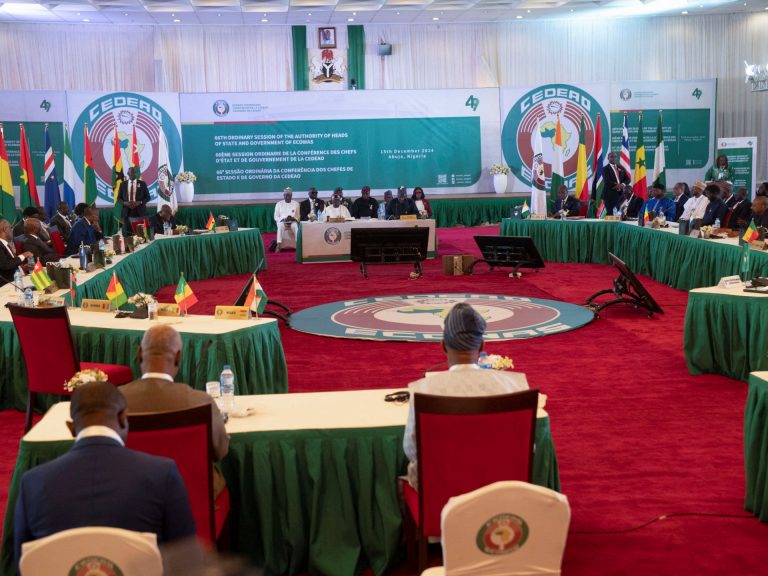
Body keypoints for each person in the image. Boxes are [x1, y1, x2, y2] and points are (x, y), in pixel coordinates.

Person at [13, 381, 196, 566]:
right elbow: (187, 561)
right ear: (123, 418)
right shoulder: (162, 474)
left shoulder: (32, 483)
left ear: (71, 428)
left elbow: (24, 564)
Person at [403, 303, 528, 489]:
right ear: (482, 346)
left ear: (443, 346)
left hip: (442, 491)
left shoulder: (423, 390)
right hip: (501, 491)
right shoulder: (514, 386)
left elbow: (412, 450)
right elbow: (527, 447)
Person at [119, 325, 229, 498]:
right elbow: (220, 450)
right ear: (178, 357)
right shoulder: (201, 402)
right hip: (193, 500)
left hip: (130, 498)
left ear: (139, 354)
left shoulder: (113, 401)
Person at [0, 219, 33, 285]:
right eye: (11, 228)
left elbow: (11, 262)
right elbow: (5, 265)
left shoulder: (5, 244)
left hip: (19, 278)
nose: (12, 230)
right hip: (11, 283)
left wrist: (22, 267)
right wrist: (23, 255)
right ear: (5, 229)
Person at [118, 167, 150, 234]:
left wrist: (140, 202)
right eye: (131, 173)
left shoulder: (142, 184)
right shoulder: (123, 184)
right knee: (129, 234)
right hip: (127, 212)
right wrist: (125, 203)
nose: (133, 174)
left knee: (142, 234)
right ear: (128, 174)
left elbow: (148, 197)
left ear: (136, 173)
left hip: (140, 212)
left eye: (134, 172)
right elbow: (119, 198)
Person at [273, 187, 299, 252]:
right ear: (283, 196)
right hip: (282, 222)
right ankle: (279, 245)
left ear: (291, 196)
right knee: (280, 226)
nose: (287, 197)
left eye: (289, 195)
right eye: (286, 195)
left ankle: (298, 245)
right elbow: (276, 217)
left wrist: (294, 219)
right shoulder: (279, 204)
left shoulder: (296, 204)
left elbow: (298, 216)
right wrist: (283, 219)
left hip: (292, 222)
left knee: (295, 226)